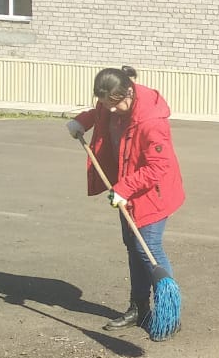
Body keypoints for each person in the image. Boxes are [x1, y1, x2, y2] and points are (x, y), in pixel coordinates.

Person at [66, 66, 185, 337]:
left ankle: (169, 315)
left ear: (128, 93)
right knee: (133, 246)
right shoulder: (111, 102)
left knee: (149, 248)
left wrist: (124, 188)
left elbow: (159, 167)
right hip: (126, 187)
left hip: (152, 192)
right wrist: (82, 122)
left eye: (115, 105)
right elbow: (99, 112)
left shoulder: (151, 121)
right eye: (105, 104)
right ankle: (139, 309)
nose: (110, 110)